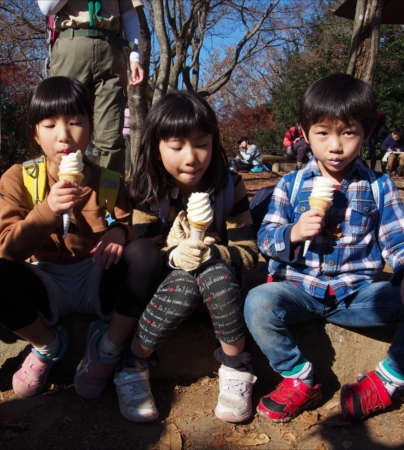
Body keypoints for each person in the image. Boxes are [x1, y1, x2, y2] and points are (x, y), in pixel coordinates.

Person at [244, 74, 404, 424]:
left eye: (348, 132)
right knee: (257, 302)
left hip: (357, 294)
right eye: (323, 133)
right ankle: (299, 378)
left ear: (366, 134)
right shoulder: (289, 186)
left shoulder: (379, 185)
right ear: (305, 135)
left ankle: (387, 380)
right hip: (299, 289)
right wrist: (292, 232)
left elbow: (398, 238)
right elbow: (265, 239)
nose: (335, 146)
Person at [0, 77, 161, 405]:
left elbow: (127, 224)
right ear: (34, 132)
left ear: (90, 127)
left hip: (96, 274)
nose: (64, 136)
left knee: (146, 254)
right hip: (45, 280)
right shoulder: (19, 177)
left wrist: (120, 231)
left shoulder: (108, 180)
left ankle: (108, 346)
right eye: (49, 125)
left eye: (75, 122)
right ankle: (48, 344)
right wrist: (47, 210)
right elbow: (7, 249)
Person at [121, 92, 259, 424]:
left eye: (201, 144)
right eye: (177, 146)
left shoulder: (229, 186)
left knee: (212, 273)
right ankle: (133, 364)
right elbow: (146, 254)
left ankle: (236, 367)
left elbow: (249, 252)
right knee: (184, 281)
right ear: (156, 147)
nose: (192, 157)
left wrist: (210, 253)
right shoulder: (147, 191)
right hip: (169, 292)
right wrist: (173, 256)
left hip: (221, 286)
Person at [38, 0, 144, 176]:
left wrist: (135, 57)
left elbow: (129, 13)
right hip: (71, 43)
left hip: (111, 47)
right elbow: (47, 8)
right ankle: (62, 191)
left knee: (111, 137)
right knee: (63, 130)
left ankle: (110, 198)